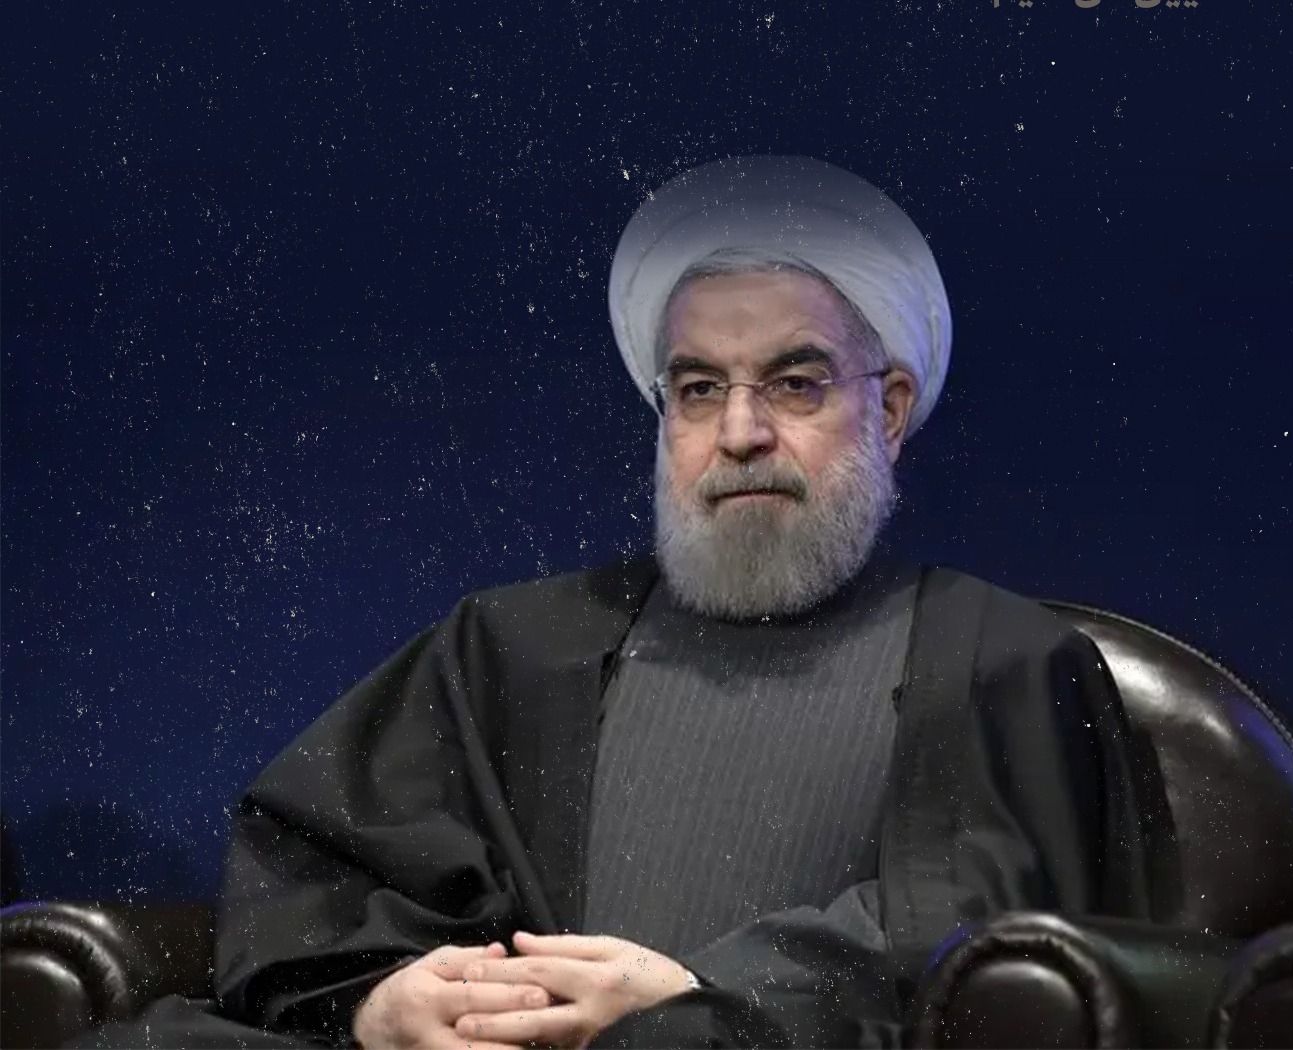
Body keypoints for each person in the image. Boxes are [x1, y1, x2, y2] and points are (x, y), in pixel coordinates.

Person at [77, 155, 1156, 1050]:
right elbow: (316, 877)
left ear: (889, 412)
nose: (740, 434)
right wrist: (382, 1005)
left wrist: (692, 1007)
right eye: (697, 389)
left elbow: (985, 944)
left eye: (795, 382)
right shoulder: (513, 643)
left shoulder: (1001, 657)